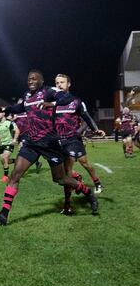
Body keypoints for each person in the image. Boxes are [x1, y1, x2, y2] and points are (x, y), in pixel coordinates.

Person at [0, 70, 98, 225]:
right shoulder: (27, 95)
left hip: (50, 143)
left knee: (60, 179)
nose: (30, 81)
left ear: (41, 81)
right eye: (29, 79)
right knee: (15, 175)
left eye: (34, 78)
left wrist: (52, 103)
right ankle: (3, 215)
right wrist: (7, 109)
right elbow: (22, 107)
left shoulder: (48, 91)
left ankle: (87, 192)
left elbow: (67, 98)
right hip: (31, 143)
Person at [53, 74, 106, 215]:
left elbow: (87, 118)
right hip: (59, 141)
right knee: (64, 173)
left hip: (73, 140)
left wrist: (95, 129)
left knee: (78, 167)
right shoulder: (53, 103)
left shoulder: (76, 102)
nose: (59, 85)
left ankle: (68, 205)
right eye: (57, 83)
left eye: (62, 82)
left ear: (69, 84)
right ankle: (78, 180)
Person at [0, 107, 19, 183]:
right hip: (1, 145)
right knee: (3, 161)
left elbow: (17, 131)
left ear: (3, 113)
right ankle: (16, 161)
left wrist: (14, 139)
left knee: (5, 157)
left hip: (9, 143)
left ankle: (5, 176)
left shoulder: (9, 123)